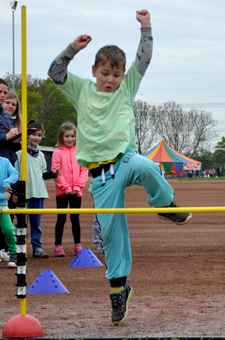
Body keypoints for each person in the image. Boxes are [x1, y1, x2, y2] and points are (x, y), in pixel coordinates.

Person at [48, 9, 192, 325]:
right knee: (112, 235)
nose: (110, 80)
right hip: (100, 176)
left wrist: (146, 28)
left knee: (147, 165)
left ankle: (165, 204)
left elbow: (144, 59)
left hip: (124, 160)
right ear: (94, 71)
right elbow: (55, 72)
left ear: (122, 75)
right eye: (105, 73)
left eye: (116, 74)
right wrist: (72, 48)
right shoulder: (81, 89)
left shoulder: (127, 88)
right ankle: (119, 290)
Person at [15, 120, 61, 258]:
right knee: (22, 223)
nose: (36, 137)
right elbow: (15, 175)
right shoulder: (19, 154)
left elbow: (42, 174)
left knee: (36, 223)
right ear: (27, 134)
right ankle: (20, 248)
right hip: (25, 194)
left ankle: (37, 247)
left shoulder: (40, 155)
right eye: (34, 134)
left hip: (38, 194)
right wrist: (16, 192)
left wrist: (52, 174)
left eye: (39, 135)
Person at [51, 122, 89, 257]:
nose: (70, 139)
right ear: (61, 137)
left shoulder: (80, 152)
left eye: (72, 136)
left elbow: (84, 170)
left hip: (76, 192)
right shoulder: (57, 153)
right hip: (62, 192)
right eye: (67, 136)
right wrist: (66, 188)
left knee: (75, 219)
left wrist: (78, 187)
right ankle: (58, 246)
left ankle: (77, 245)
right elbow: (56, 171)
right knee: (61, 219)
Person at [0, 80, 20, 259]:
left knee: (9, 207)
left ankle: (6, 248)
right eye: (0, 92)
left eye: (5, 93)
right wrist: (6, 136)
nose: (2, 96)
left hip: (8, 163)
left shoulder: (6, 117)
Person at [0, 155, 18, 267]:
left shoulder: (5, 161)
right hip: (2, 199)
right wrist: (2, 196)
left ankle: (13, 253)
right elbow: (3, 196)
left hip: (2, 206)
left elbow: (15, 174)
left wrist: (7, 182)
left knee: (9, 229)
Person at [88, 184, 103, 254]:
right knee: (99, 218)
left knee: (112, 218)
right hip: (99, 189)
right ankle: (98, 244)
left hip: (111, 190)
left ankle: (110, 243)